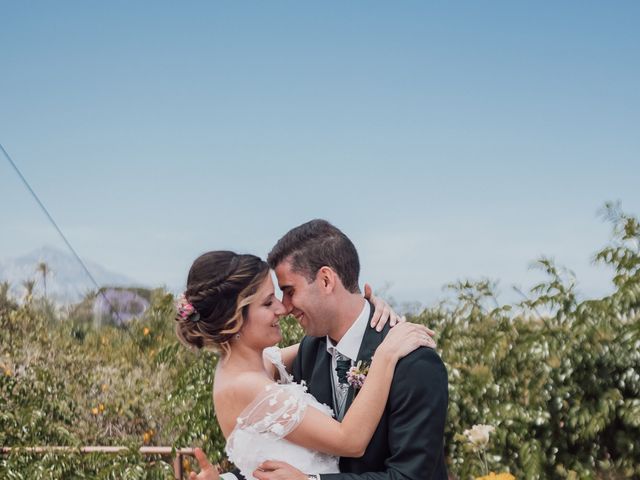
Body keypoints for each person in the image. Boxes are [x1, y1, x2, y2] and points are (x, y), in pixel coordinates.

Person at [175, 249, 436, 480]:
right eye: (268, 302)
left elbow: (344, 340)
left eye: (283, 294)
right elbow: (350, 440)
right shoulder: (246, 384)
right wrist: (386, 355)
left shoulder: (260, 364)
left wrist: (369, 312)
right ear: (234, 320)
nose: (282, 308)